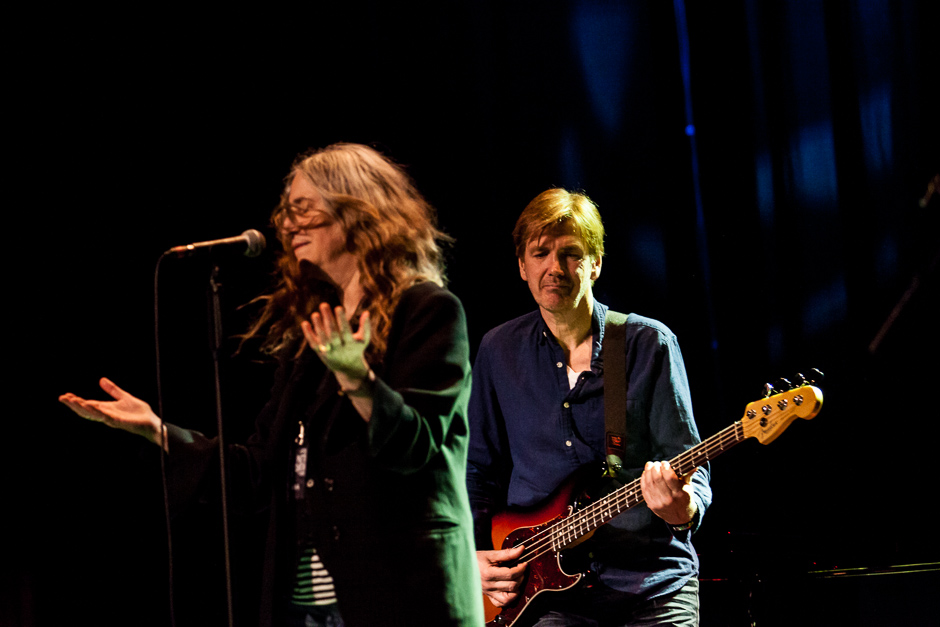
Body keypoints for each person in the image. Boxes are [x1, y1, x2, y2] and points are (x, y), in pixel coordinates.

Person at [59, 143, 484, 627]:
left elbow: (420, 447)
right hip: (308, 605)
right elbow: (260, 472)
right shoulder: (313, 335)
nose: (287, 226)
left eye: (304, 211)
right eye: (286, 213)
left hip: (401, 593)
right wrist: (157, 430)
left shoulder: (427, 310)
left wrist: (357, 379)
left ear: (358, 212)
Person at [466, 188, 712, 626]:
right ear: (522, 266)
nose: (554, 268)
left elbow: (691, 466)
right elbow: (477, 473)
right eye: (540, 253)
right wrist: (473, 555)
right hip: (543, 593)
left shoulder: (647, 343)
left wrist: (683, 508)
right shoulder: (497, 350)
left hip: (652, 584)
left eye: (571, 254)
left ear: (596, 264)